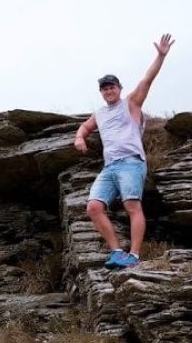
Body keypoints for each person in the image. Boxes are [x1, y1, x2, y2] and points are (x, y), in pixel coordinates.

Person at [74, 34, 175, 269]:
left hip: (131, 163)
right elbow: (86, 126)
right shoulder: (99, 113)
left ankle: (134, 256)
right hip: (109, 167)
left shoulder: (130, 103)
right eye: (104, 88)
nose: (108, 90)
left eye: (112, 86)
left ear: (119, 88)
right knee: (94, 207)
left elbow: (147, 79)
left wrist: (160, 56)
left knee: (132, 206)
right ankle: (117, 251)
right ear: (101, 92)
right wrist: (79, 137)